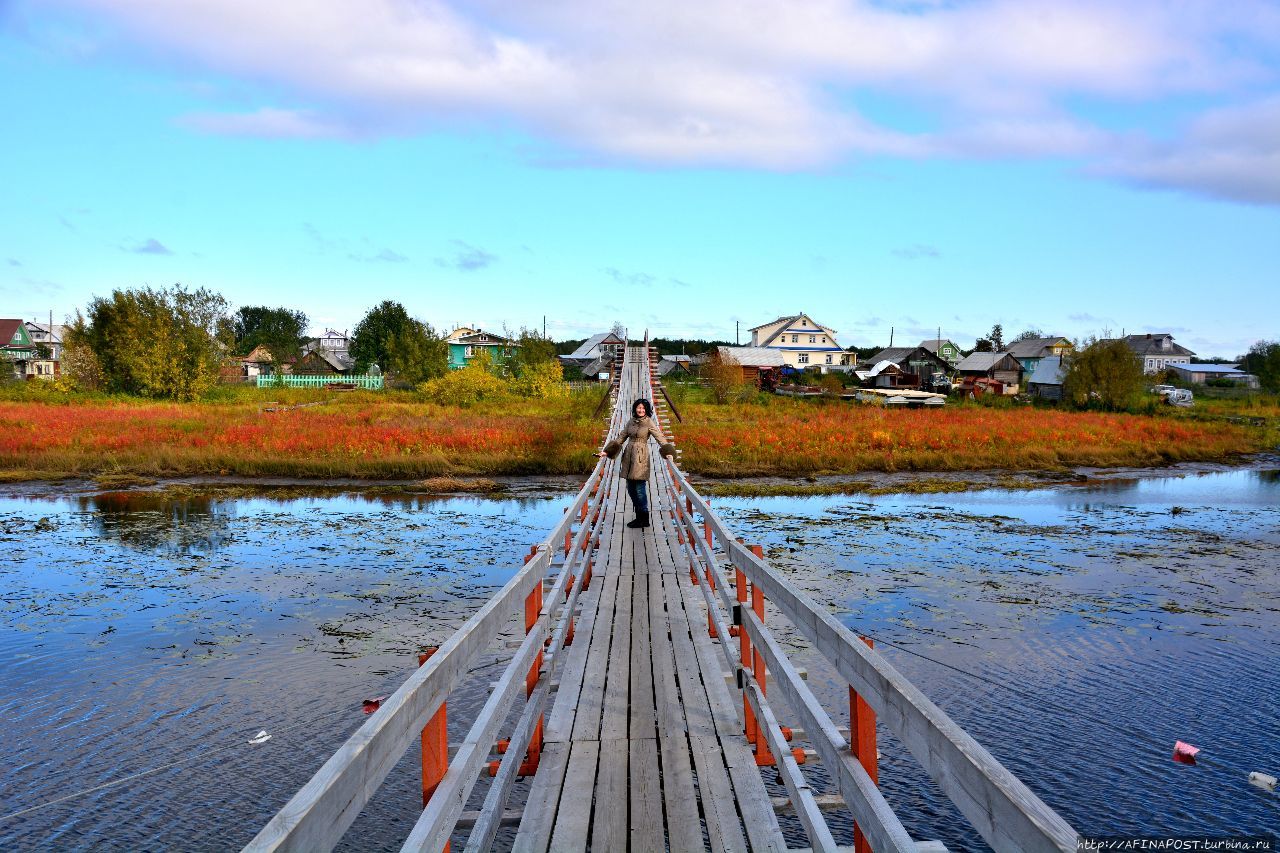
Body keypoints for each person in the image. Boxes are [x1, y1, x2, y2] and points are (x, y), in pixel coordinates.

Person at [597, 398, 675, 529]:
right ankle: (639, 517)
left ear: (647, 410)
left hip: (640, 456)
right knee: (631, 488)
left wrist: (668, 452)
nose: (641, 410)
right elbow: (621, 437)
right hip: (628, 456)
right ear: (635, 408)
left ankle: (644, 519)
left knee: (639, 488)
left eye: (643, 408)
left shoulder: (649, 422)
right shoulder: (631, 422)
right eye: (639, 408)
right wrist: (607, 452)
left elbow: (659, 437)